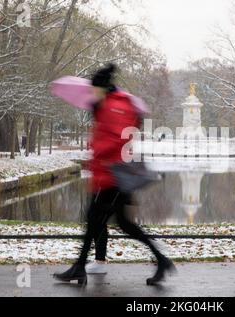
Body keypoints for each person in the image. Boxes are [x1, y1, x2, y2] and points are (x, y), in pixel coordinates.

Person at [54, 64, 175, 286]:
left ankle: (79, 268)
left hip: (113, 177)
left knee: (93, 221)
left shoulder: (115, 106)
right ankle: (162, 260)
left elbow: (119, 138)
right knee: (123, 224)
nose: (92, 93)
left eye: (94, 89)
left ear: (102, 87)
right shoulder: (106, 105)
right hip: (108, 175)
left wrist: (97, 150)